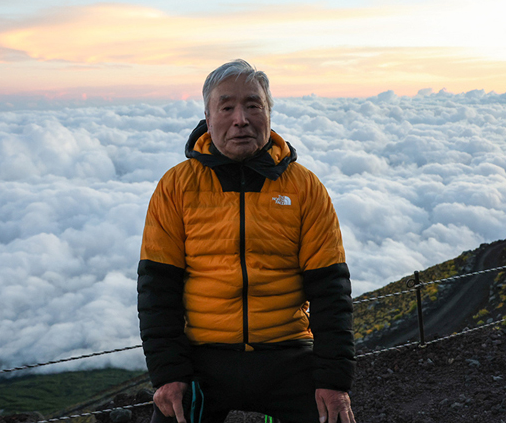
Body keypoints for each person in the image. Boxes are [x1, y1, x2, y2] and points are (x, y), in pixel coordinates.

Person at [137, 59, 355, 423]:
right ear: (208, 117)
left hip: (289, 354)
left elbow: (330, 289)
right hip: (201, 358)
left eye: (253, 105)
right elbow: (158, 288)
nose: (241, 118)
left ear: (269, 113)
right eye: (226, 107)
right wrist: (169, 375)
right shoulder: (175, 187)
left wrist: (334, 381)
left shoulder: (304, 188)